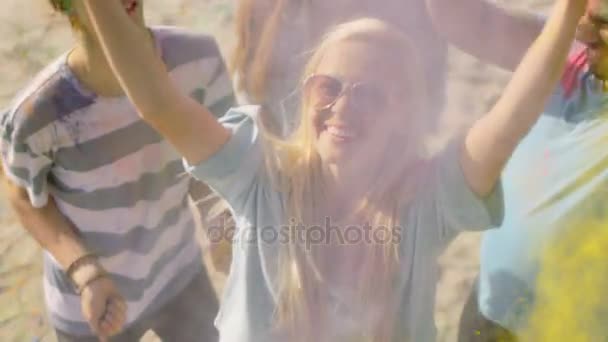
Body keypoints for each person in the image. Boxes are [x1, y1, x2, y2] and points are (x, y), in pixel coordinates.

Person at [79, 0, 583, 340]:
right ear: (305, 92)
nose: (344, 107)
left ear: (404, 116)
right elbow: (158, 103)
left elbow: (511, 117)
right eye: (329, 87)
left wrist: (570, 11)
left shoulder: (425, 201)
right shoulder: (262, 175)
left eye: (371, 95)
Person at [0, 0, 234, 340]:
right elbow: (23, 198)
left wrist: (217, 217)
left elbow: (210, 159)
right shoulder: (35, 114)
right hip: (93, 305)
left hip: (178, 270)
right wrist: (85, 270)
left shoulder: (199, 59)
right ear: (63, 5)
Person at [428, 0, 608, 339]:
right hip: (492, 314)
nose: (585, 28)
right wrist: (569, 12)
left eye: (601, 21)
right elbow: (461, 18)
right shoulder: (568, 52)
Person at [230, 0, 546, 137]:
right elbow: (253, 101)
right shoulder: (271, 14)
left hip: (379, 202)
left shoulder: (414, 15)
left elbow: (423, 113)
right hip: (284, 194)